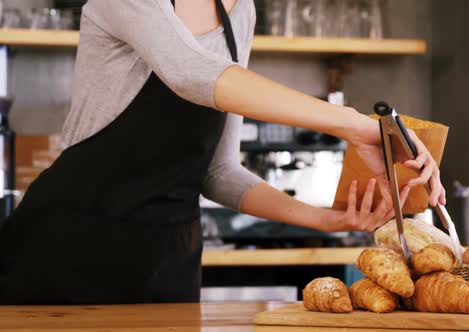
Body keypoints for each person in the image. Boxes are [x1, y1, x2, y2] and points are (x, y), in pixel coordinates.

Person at [0, 0, 445, 304]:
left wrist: (325, 218)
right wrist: (352, 123)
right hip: (64, 250)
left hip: (166, 262)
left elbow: (219, 169)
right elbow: (190, 72)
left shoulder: (240, 9)